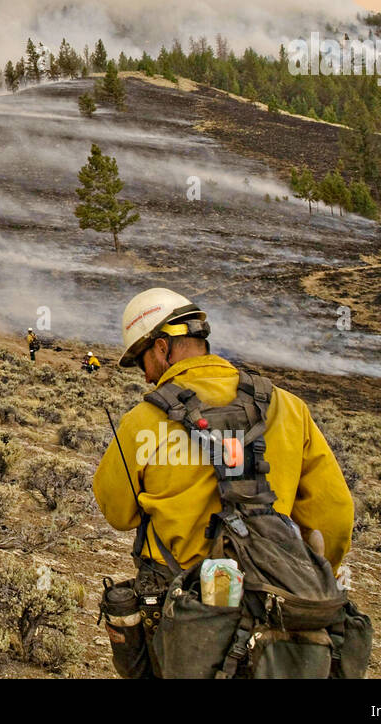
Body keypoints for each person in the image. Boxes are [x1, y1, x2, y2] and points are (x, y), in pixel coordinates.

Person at [92, 287, 354, 678]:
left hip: (183, 617)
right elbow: (334, 517)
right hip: (275, 609)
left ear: (162, 348)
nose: (146, 376)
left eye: (143, 360)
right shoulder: (288, 407)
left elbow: (117, 512)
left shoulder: (142, 422)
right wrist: (295, 580)